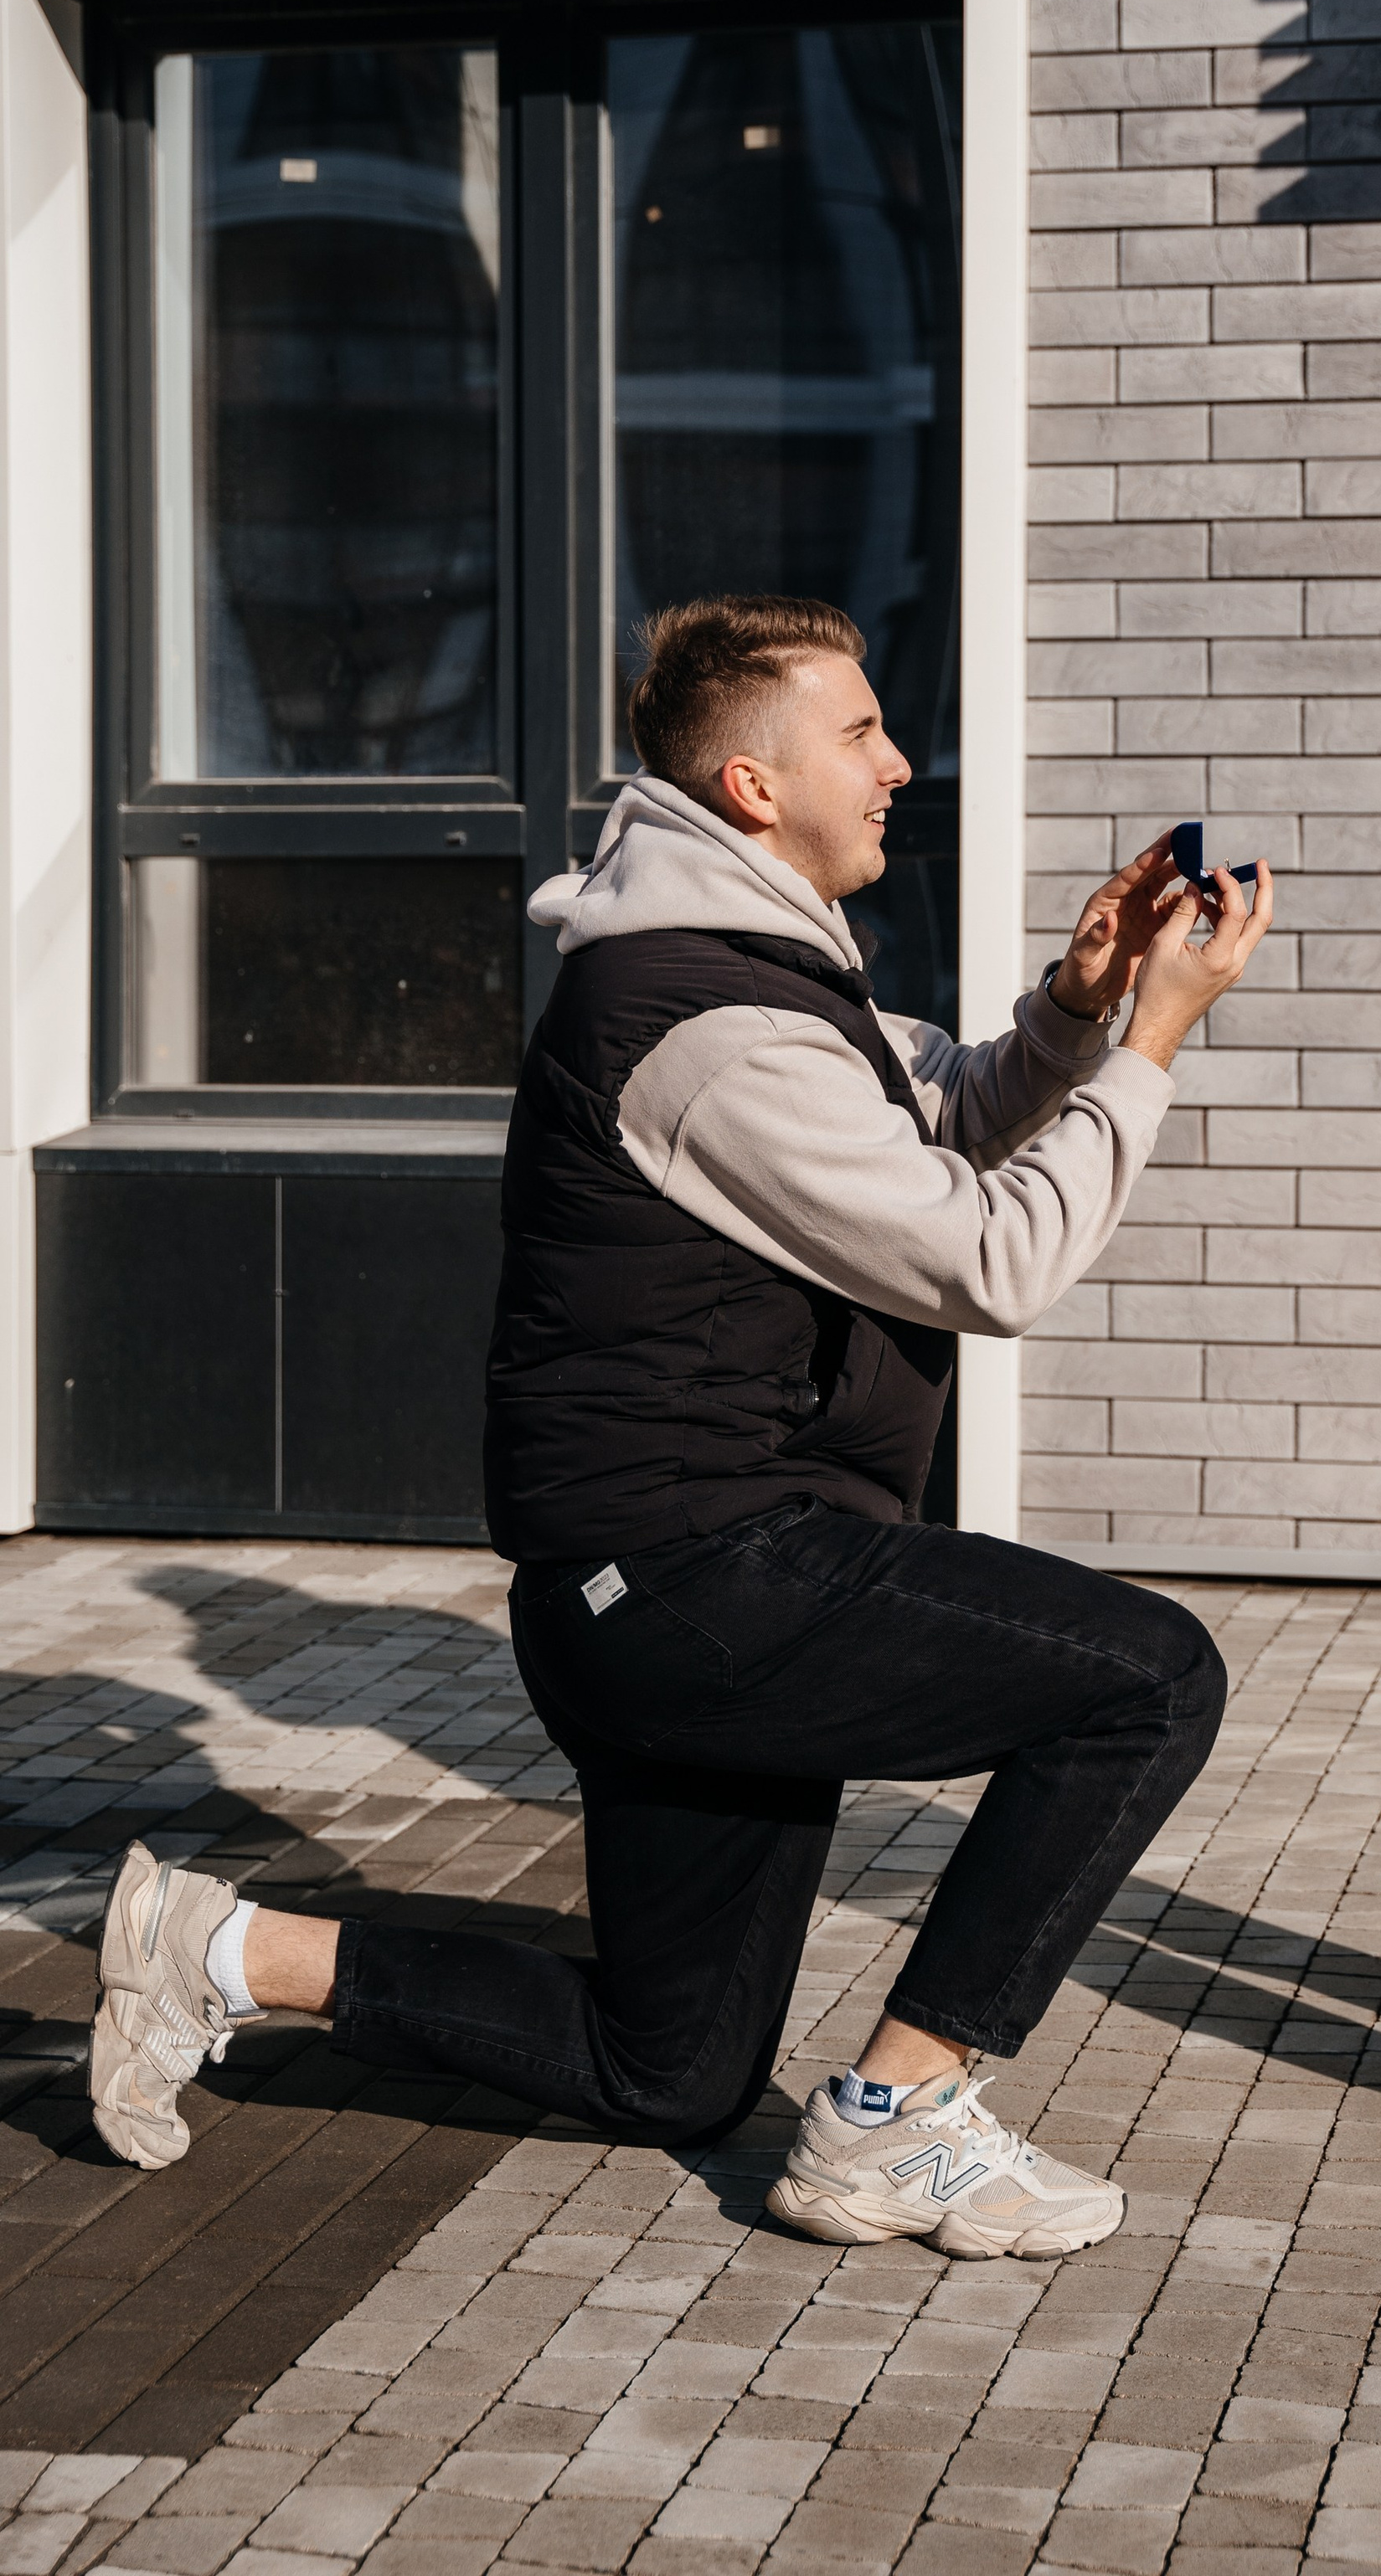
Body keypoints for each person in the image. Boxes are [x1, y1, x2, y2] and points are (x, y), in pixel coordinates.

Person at [90, 594, 1272, 2260]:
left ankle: (210, 1950)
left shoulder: (756, 979)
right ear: (750, 786)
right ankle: (898, 2117)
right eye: (859, 733)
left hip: (662, 1586)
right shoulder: (709, 1028)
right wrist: (1150, 1045)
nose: (899, 762)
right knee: (1146, 1681)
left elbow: (931, 1114)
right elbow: (992, 1256)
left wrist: (1074, 1015)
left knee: (671, 2066)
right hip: (698, 1574)